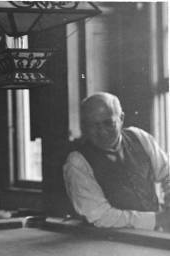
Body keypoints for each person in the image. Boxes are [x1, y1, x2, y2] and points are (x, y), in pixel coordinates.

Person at [63, 92, 170, 230]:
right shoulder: (77, 162)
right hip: (109, 242)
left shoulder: (140, 138)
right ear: (84, 126)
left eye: (108, 123)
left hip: (155, 233)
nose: (102, 132)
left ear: (121, 119)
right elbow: (100, 217)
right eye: (93, 125)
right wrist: (158, 219)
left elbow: (167, 173)